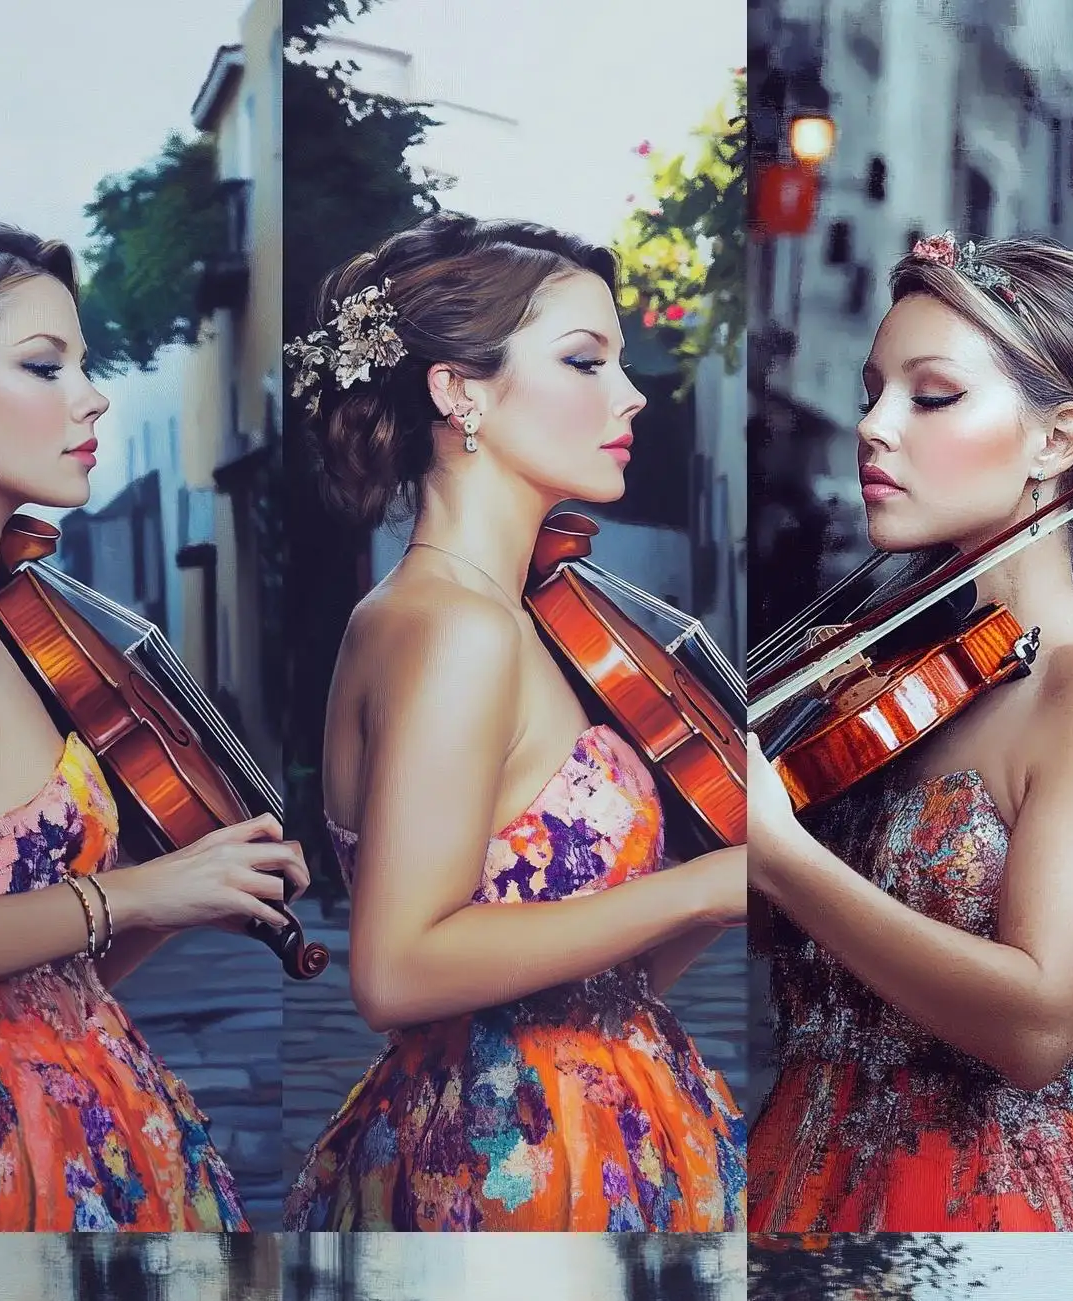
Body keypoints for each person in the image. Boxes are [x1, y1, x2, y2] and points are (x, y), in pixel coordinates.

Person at [0, 214, 307, 1232]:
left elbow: (21, 970)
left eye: (82, 364)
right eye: (44, 366)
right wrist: (131, 889)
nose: (92, 396)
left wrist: (170, 905)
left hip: (78, 1127)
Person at [281, 213, 747, 1232]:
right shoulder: (455, 628)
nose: (629, 395)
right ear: (459, 392)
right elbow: (398, 966)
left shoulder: (485, 615)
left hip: (583, 1128)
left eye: (619, 363)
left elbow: (586, 968)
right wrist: (707, 880)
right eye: (585, 360)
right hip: (518, 1162)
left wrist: (704, 903)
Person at [746, 235, 1073, 1232]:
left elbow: (1038, 1026)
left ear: (1055, 439)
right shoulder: (884, 683)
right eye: (872, 392)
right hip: (785, 1181)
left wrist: (778, 856)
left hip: (967, 1207)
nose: (872, 426)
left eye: (929, 397)